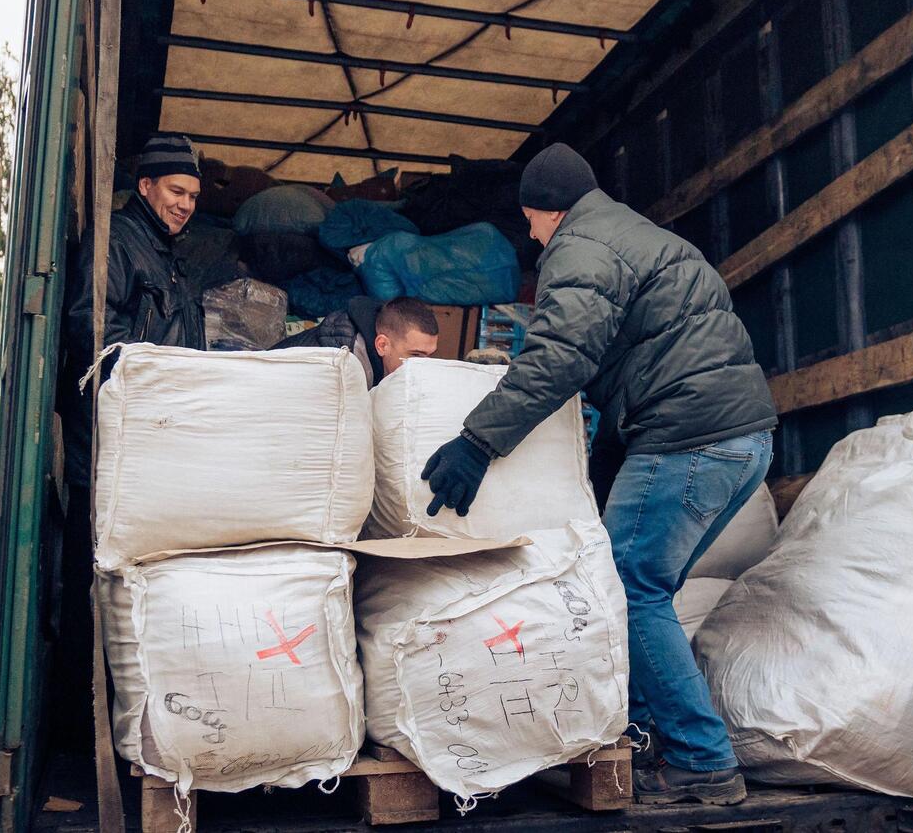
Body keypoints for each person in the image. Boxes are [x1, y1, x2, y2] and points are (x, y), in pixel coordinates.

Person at [420, 142, 778, 805]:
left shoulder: (580, 247)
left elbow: (561, 355)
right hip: (744, 439)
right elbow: (646, 351)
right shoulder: (639, 237)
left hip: (690, 438)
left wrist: (477, 442)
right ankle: (640, 734)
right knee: (645, 588)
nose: (530, 236)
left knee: (628, 585)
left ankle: (702, 760)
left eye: (529, 221)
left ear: (546, 210)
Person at [56, 132, 207, 749]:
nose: (186, 204)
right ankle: (74, 737)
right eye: (176, 191)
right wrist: (161, 382)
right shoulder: (119, 242)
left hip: (150, 448)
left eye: (194, 195)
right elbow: (89, 330)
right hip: (110, 452)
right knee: (93, 591)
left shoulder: (166, 254)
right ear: (145, 186)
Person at [277, 295, 438, 387]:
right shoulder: (343, 367)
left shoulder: (369, 347)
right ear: (382, 345)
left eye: (429, 356)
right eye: (416, 355)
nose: (425, 365)